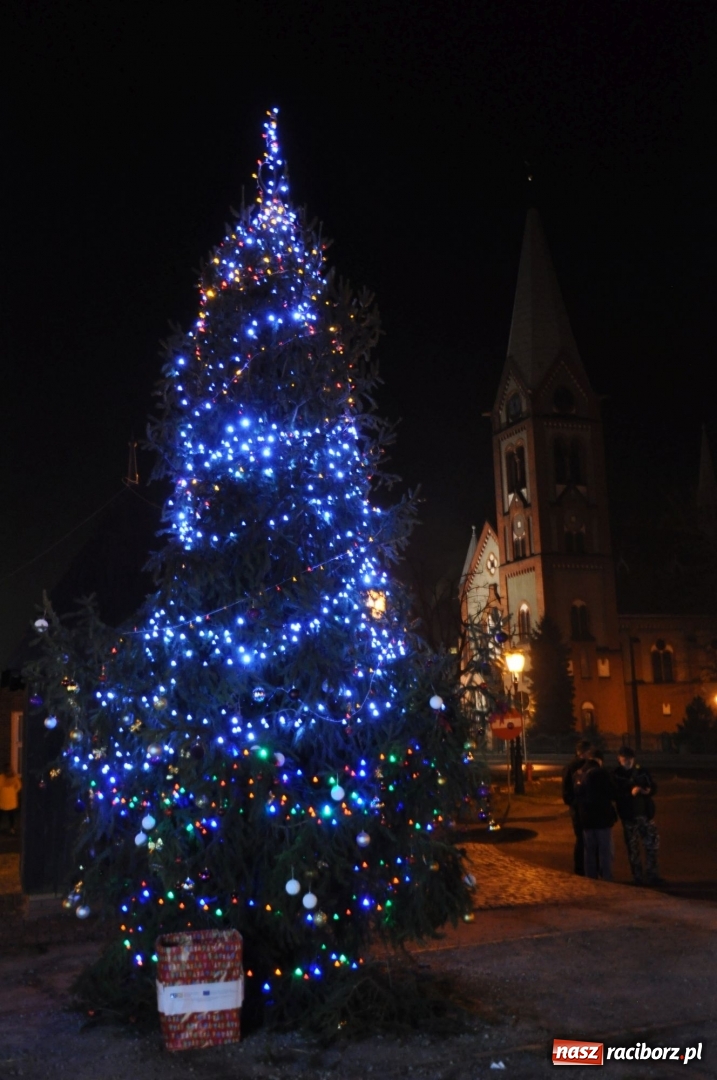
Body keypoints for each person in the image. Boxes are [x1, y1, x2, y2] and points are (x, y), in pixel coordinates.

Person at [613, 745, 661, 886]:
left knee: (652, 845)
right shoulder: (616, 774)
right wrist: (630, 793)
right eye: (625, 758)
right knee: (633, 848)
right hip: (629, 817)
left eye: (631, 758)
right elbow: (615, 794)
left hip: (645, 815)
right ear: (619, 759)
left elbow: (653, 786)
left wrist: (648, 791)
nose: (628, 761)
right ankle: (637, 877)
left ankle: (653, 875)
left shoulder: (641, 771)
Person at [574, 748, 617, 880]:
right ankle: (606, 876)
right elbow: (612, 793)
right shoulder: (601, 773)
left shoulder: (578, 773)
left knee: (589, 851)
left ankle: (590, 877)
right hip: (602, 818)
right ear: (599, 760)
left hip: (586, 818)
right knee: (605, 850)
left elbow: (577, 795)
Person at [562, 739, 592, 875]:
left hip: (577, 807)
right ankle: (583, 868)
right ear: (584, 753)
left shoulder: (569, 766)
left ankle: (581, 868)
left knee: (582, 838)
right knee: (584, 838)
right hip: (581, 807)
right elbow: (567, 791)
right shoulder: (579, 767)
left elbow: (566, 792)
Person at [0, 763, 21, 835]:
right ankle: (12, 828)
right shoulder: (14, 777)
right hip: (11, 800)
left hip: (2, 799)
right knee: (11, 816)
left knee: (1, 815)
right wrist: (14, 791)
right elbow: (19, 786)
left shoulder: (1, 777)